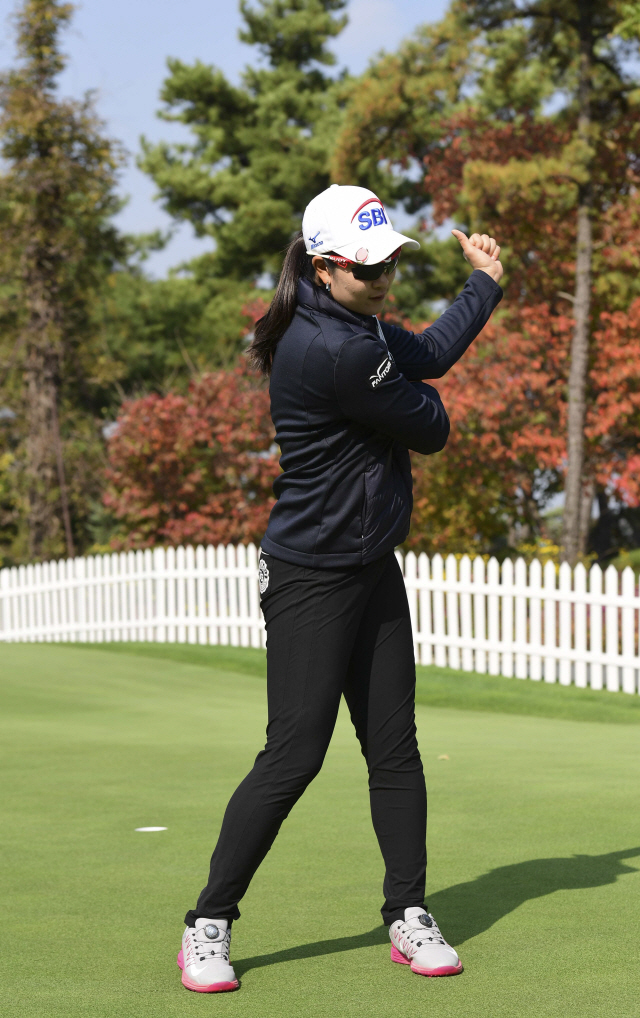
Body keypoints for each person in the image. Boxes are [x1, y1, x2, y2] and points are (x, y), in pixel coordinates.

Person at [177, 184, 504, 993]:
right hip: (310, 576)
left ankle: (408, 913)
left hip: (370, 565)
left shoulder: (352, 325)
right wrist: (415, 401)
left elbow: (422, 359)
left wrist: (482, 288)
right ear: (325, 269)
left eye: (391, 258)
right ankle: (207, 925)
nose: (385, 275)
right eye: (369, 268)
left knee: (394, 747)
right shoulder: (340, 350)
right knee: (294, 754)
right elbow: (433, 425)